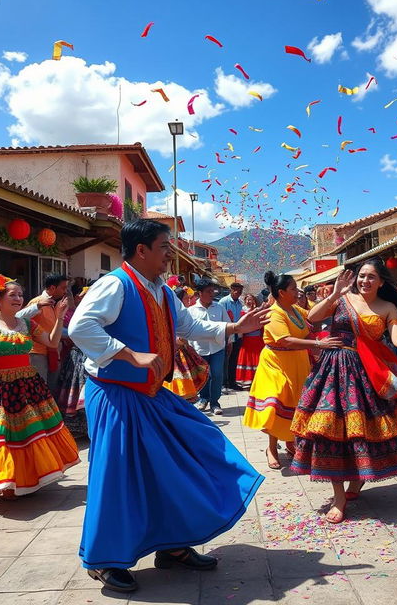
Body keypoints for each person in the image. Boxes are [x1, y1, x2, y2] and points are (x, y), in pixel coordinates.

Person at [67, 219, 266, 593]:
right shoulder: (114, 284)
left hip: (152, 395)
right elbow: (80, 327)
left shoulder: (161, 290)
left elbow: (189, 325)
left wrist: (234, 329)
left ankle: (173, 546)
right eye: (163, 248)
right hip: (115, 394)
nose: (168, 258)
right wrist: (128, 355)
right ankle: (105, 560)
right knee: (117, 475)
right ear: (141, 250)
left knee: (182, 459)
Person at [290, 259, 397, 524]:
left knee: (362, 432)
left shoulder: (389, 307)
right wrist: (335, 293)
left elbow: (396, 339)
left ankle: (356, 483)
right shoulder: (343, 298)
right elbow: (313, 317)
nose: (364, 281)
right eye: (361, 276)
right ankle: (339, 497)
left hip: (367, 373)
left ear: (381, 281)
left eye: (371, 277)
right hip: (332, 369)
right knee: (328, 430)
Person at [0, 276, 79, 497]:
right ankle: (3, 481)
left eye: (20, 295)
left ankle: (26, 477)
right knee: (0, 432)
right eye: (12, 295)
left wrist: (60, 318)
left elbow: (51, 342)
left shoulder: (27, 323)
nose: (19, 299)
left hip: (27, 383)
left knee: (28, 431)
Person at [243, 271, 342, 470]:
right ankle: (271, 448)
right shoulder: (274, 313)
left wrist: (337, 295)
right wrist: (317, 343)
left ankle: (291, 442)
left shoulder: (295, 310)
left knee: (297, 404)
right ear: (281, 292)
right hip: (275, 363)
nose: (298, 292)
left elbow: (318, 315)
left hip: (297, 362)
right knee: (276, 402)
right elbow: (284, 340)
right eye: (293, 289)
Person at [162, 287, 210, 403]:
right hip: (175, 356)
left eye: (189, 298)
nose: (189, 301)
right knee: (178, 387)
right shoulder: (172, 314)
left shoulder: (185, 313)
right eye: (185, 299)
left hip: (183, 353)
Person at [188, 279, 228, 415]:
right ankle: (203, 399)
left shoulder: (219, 308)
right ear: (200, 293)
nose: (212, 294)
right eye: (208, 291)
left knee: (217, 374)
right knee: (203, 376)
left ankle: (215, 402)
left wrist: (230, 343)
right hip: (199, 349)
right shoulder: (191, 311)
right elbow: (187, 330)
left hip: (217, 348)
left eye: (213, 291)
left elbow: (228, 326)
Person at [56, 283, 89, 438]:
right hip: (77, 355)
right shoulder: (71, 312)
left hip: (86, 354)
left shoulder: (88, 311)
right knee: (75, 389)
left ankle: (87, 427)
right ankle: (77, 427)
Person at [27, 273, 69, 393]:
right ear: (52, 288)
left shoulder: (57, 304)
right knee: (39, 390)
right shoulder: (37, 303)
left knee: (50, 389)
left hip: (53, 352)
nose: (65, 291)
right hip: (37, 354)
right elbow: (21, 320)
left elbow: (57, 329)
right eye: (63, 288)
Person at [220, 282, 244, 391]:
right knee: (225, 359)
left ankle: (232, 382)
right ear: (231, 289)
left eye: (239, 291)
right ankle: (224, 383)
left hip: (237, 335)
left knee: (234, 359)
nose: (237, 293)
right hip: (226, 334)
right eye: (235, 290)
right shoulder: (223, 302)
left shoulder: (240, 303)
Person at [235, 293, 263, 387]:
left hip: (257, 339)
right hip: (247, 338)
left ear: (254, 301)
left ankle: (258, 379)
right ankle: (246, 380)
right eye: (247, 299)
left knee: (257, 359)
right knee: (248, 358)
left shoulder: (258, 311)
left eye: (251, 299)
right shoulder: (243, 311)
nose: (248, 301)